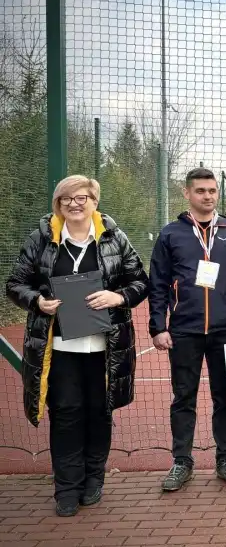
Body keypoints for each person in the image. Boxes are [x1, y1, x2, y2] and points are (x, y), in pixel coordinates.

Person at [6, 175, 149, 516]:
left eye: (81, 197)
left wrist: (117, 296)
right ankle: (66, 488)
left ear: (94, 202)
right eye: (66, 199)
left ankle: (93, 480)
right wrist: (38, 302)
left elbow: (141, 282)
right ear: (58, 204)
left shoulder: (115, 239)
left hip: (105, 347)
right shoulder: (41, 240)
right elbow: (15, 283)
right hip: (59, 349)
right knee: (66, 415)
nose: (74, 204)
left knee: (99, 414)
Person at [149, 167, 226, 492]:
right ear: (187, 193)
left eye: (212, 190)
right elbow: (157, 284)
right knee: (183, 397)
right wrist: (158, 326)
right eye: (200, 191)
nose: (208, 196)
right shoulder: (171, 234)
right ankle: (181, 462)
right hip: (184, 330)